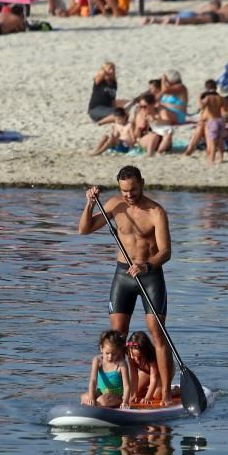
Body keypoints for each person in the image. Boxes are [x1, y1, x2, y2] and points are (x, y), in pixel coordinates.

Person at [80, 166, 173, 405]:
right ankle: (120, 392)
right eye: (124, 190)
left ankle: (163, 392)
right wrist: (90, 204)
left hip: (150, 276)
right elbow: (85, 229)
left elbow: (165, 252)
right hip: (122, 275)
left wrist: (146, 266)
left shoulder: (156, 212)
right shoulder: (114, 204)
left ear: (142, 182)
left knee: (158, 335)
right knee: (117, 337)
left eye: (133, 189)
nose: (129, 195)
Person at [80, 329, 132, 409]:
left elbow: (127, 385)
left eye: (114, 354)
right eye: (107, 353)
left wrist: (125, 401)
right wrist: (91, 397)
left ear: (119, 351)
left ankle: (98, 405)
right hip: (101, 392)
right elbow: (93, 381)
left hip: (116, 395)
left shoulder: (121, 364)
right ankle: (96, 404)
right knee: (84, 397)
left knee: (102, 401)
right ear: (101, 348)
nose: (110, 357)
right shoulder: (97, 360)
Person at [126, 331, 164, 403]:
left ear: (146, 352)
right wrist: (134, 394)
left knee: (156, 396)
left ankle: (174, 390)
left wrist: (148, 397)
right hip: (147, 372)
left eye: (139, 357)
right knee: (136, 391)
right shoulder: (131, 357)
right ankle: (151, 389)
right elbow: (134, 376)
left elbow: (154, 378)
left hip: (162, 373)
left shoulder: (151, 356)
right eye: (133, 355)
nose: (136, 359)